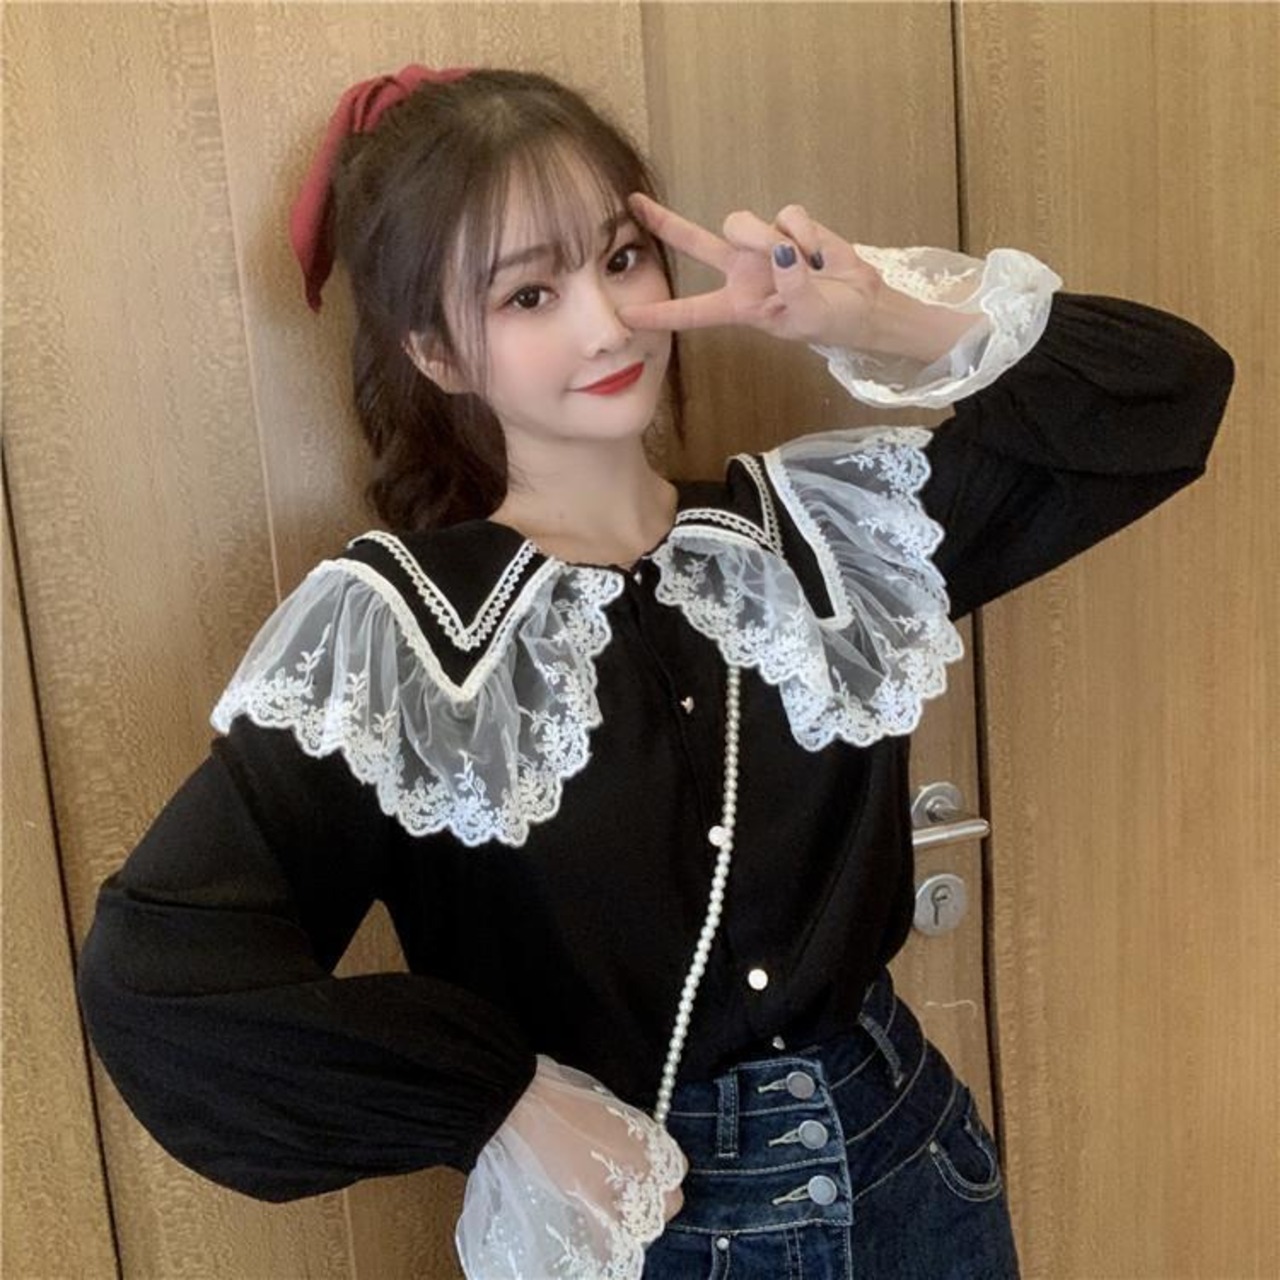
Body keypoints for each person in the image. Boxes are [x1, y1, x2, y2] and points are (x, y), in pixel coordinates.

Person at [75, 65, 1235, 1280]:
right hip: (647, 1223)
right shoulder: (401, 638)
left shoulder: (826, 538)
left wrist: (876, 320)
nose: (607, 323)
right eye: (529, 293)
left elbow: (1166, 396)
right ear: (434, 350)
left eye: (620, 259)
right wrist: (493, 1094)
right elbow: (162, 981)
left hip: (916, 1177)